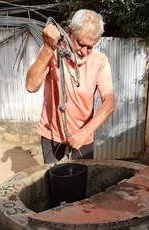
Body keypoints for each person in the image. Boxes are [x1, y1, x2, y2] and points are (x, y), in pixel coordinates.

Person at [26, 9, 115, 163]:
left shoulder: (100, 62)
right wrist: (48, 48)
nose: (85, 52)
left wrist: (85, 132)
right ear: (69, 31)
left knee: (80, 181)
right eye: (81, 44)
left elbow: (110, 102)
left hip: (83, 136)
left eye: (91, 47)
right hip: (51, 133)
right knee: (53, 180)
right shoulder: (52, 52)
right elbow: (31, 86)